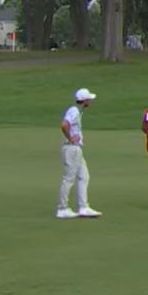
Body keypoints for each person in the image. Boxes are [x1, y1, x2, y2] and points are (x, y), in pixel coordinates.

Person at [57, 88, 101, 219]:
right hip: (71, 148)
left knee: (84, 176)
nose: (90, 101)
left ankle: (83, 207)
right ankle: (62, 208)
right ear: (85, 100)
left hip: (76, 149)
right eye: (89, 99)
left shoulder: (76, 111)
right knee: (69, 179)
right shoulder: (74, 111)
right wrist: (70, 138)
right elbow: (64, 125)